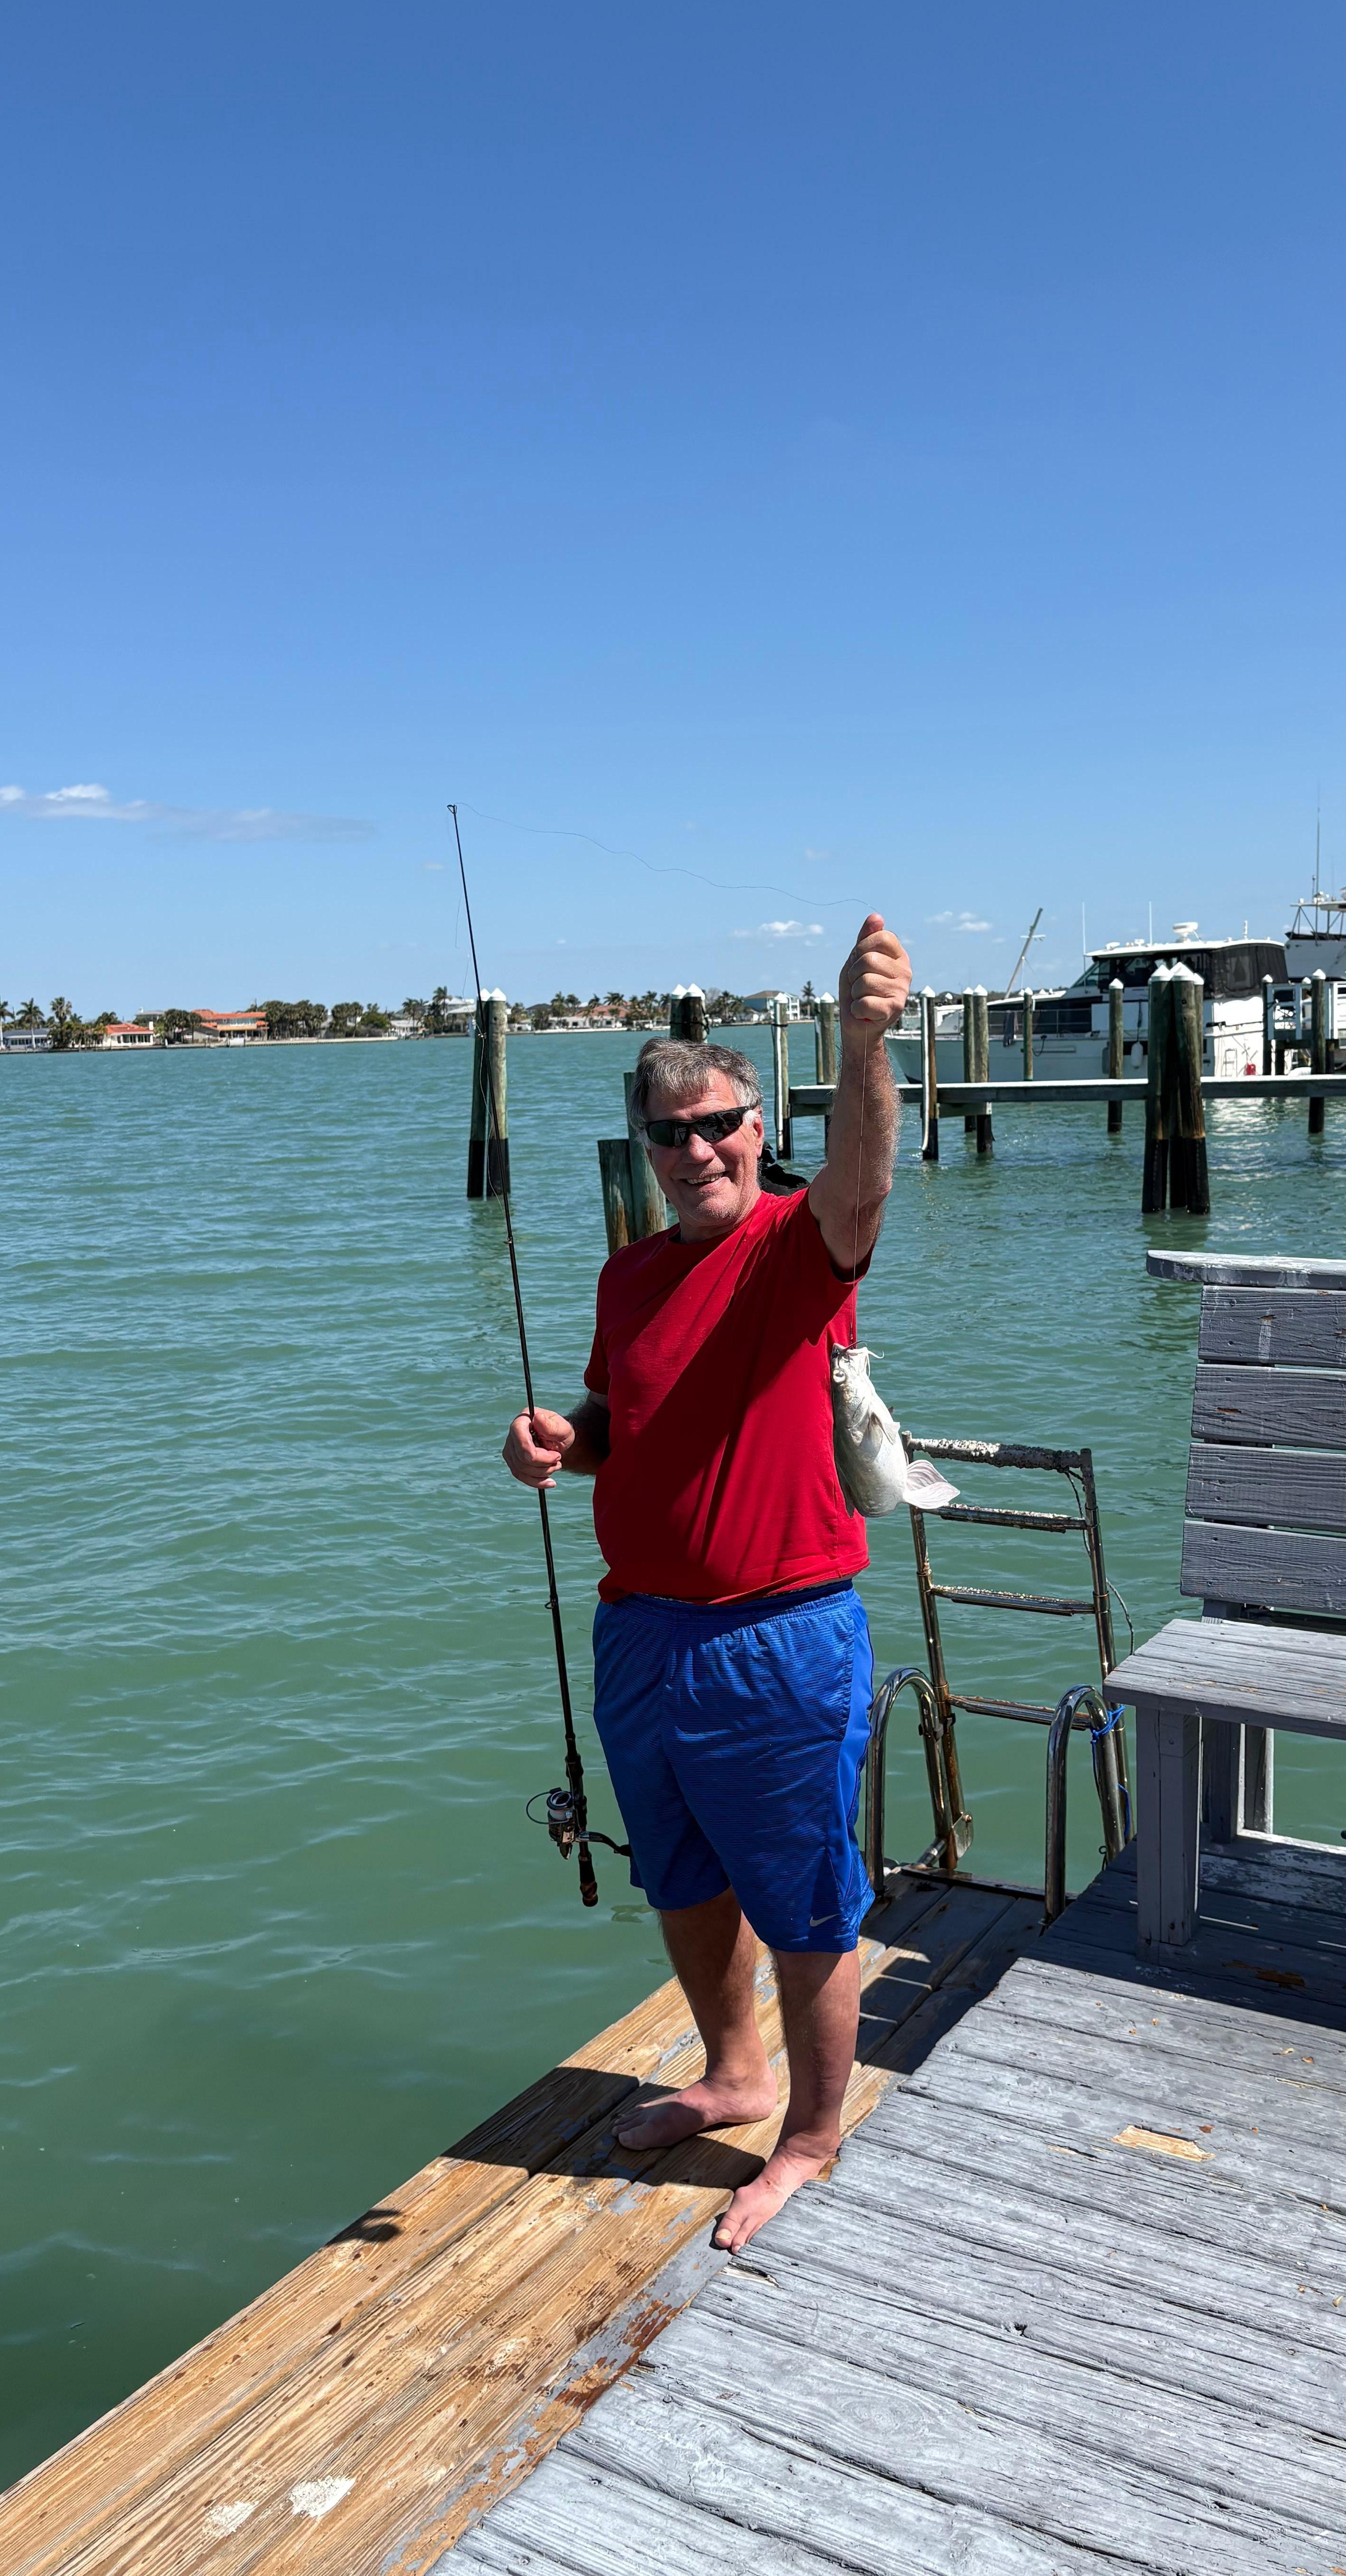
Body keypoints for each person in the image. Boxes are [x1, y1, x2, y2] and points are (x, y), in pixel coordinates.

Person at [502, 913, 913, 2249]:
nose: (696, 1154)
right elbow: (621, 1408)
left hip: (777, 1634)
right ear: (646, 1148)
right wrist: (566, 1437)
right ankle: (733, 2076)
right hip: (642, 1633)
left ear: (756, 1125)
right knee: (680, 1880)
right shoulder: (628, 1276)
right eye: (669, 1136)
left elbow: (863, 1182)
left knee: (802, 1900)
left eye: (720, 1125)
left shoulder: (799, 1248)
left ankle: (809, 2130)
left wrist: (862, 1041)